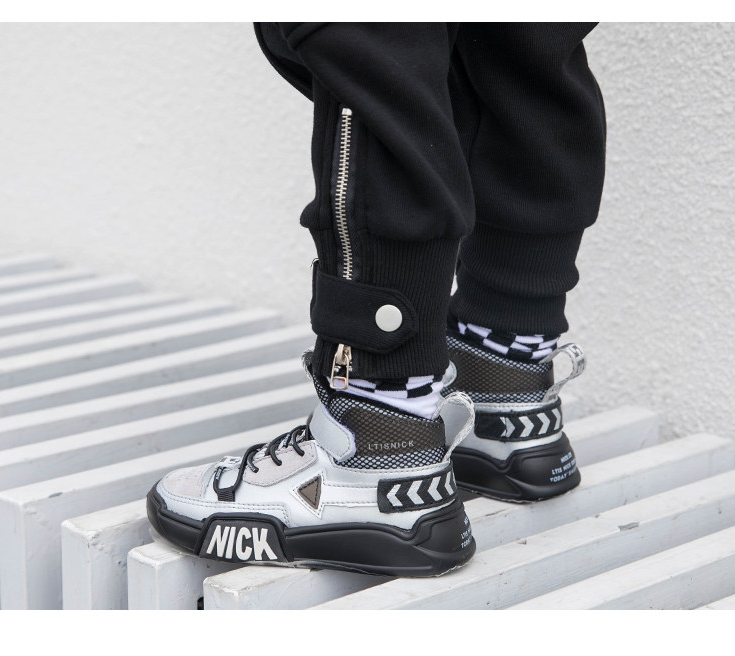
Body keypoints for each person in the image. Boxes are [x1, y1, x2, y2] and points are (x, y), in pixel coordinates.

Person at [146, 23, 606, 576]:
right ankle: (505, 384)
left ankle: (380, 444)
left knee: (373, 42)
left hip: (376, 456)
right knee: (523, 43)